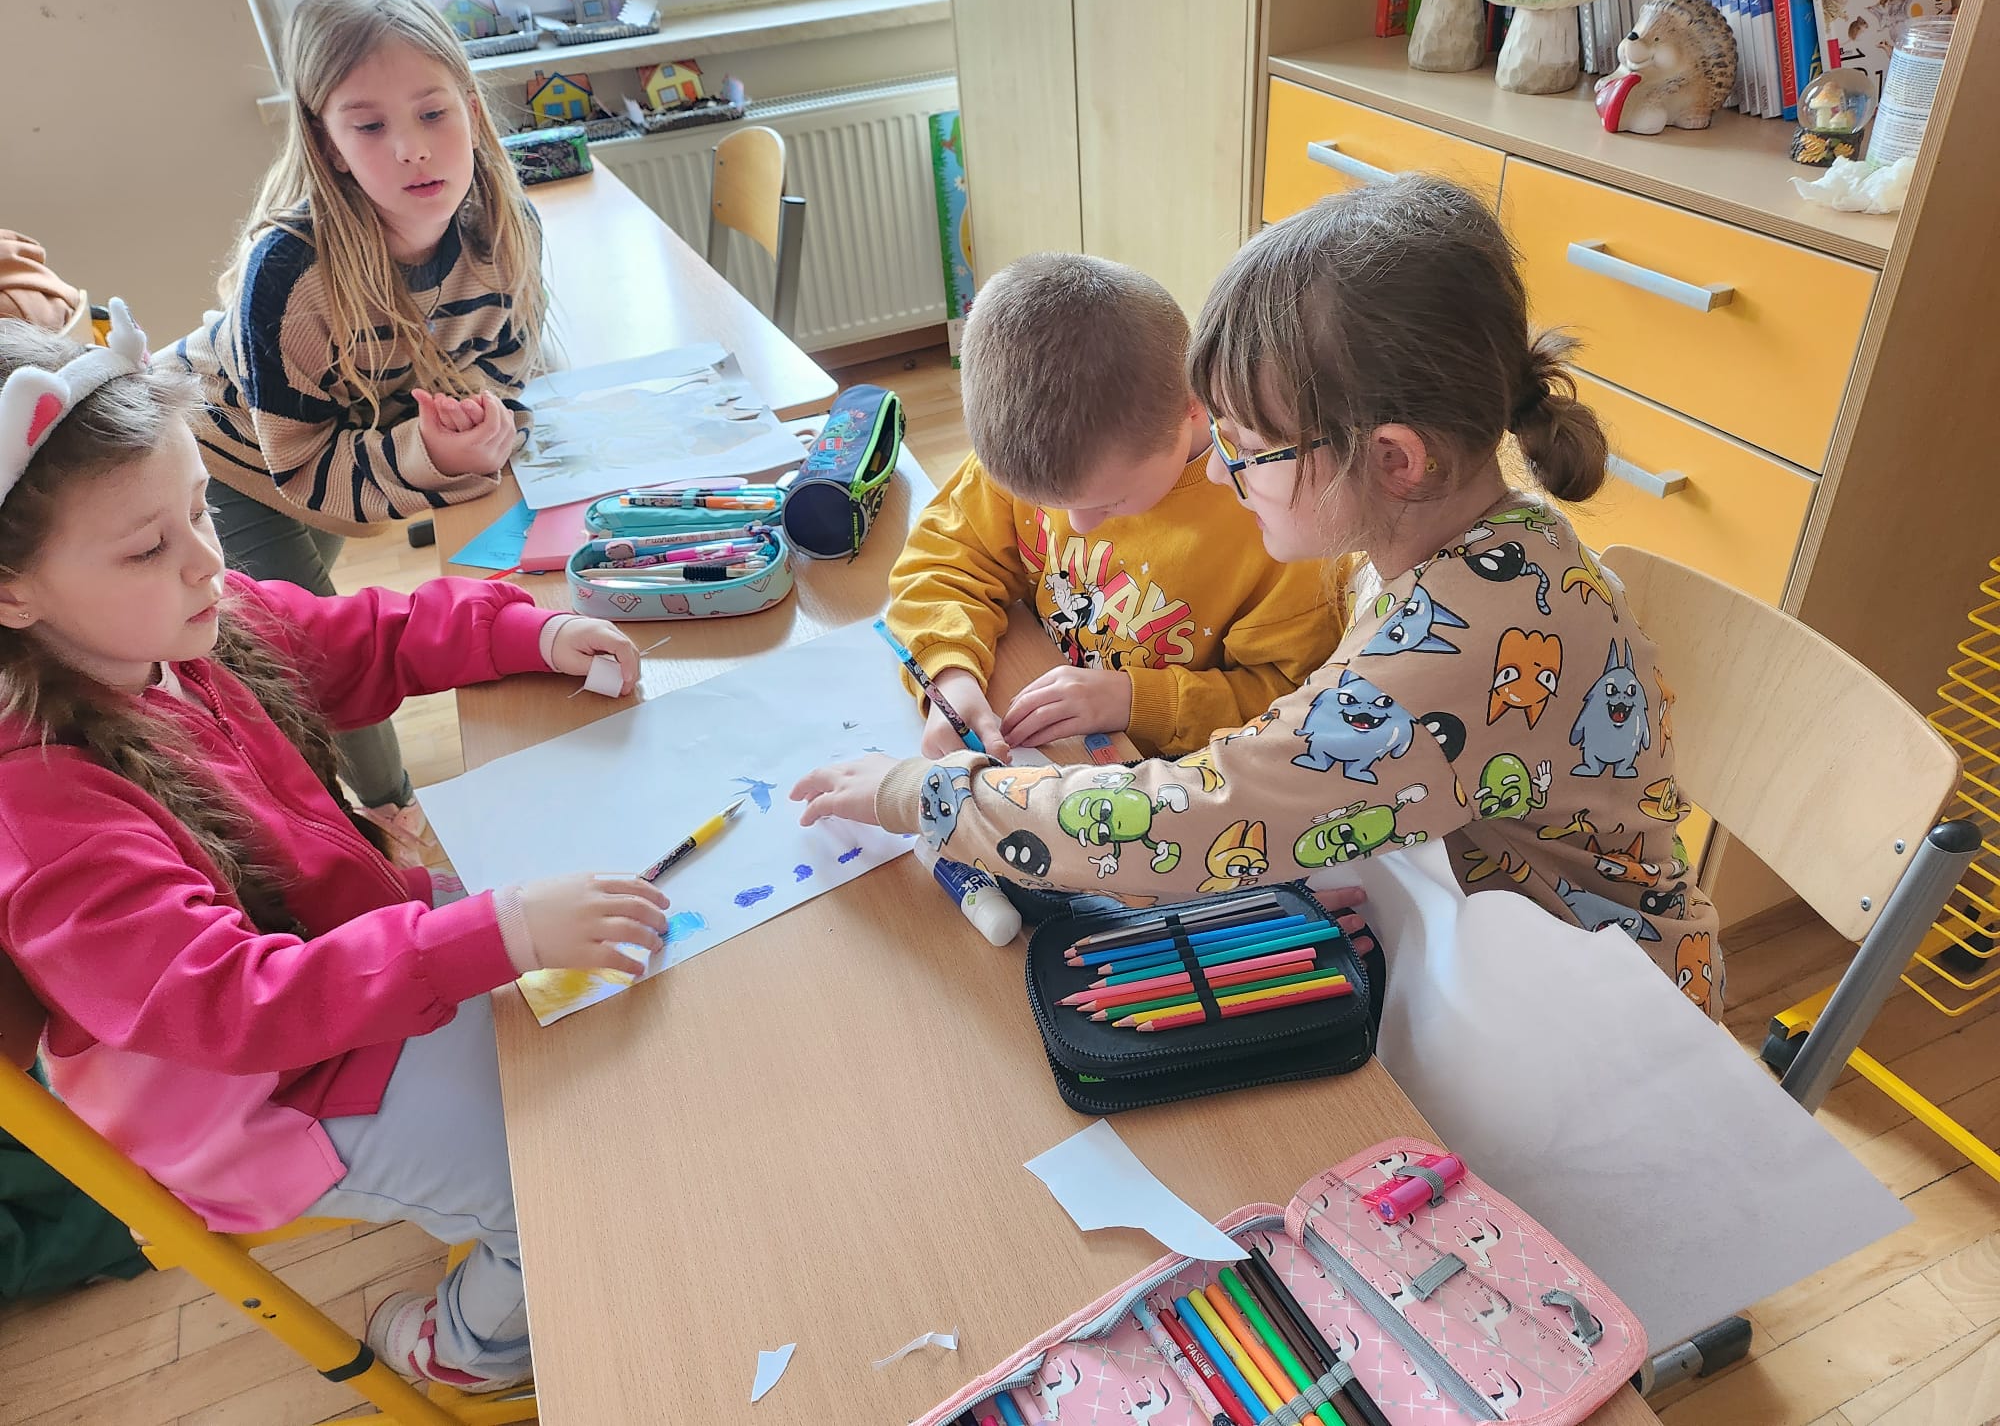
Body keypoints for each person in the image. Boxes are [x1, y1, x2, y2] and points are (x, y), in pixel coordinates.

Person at [796, 178, 1722, 1016]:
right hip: (1478, 947)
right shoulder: (1457, 541)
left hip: (1596, 1031)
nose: (1221, 474)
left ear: (1393, 459)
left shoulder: (1465, 633)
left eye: (1245, 447)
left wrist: (928, 795)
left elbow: (1204, 812)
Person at [0, 312, 668, 1391]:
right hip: (253, 1099)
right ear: (9, 592)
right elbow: (231, 1005)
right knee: (553, 1180)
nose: (207, 563)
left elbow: (357, 638)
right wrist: (494, 934)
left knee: (592, 968)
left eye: (200, 511)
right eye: (148, 548)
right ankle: (465, 1349)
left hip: (348, 950)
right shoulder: (39, 811)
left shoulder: (177, 624)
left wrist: (525, 632)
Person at [167, 0, 544, 853]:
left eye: (433, 112)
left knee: (308, 629)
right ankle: (390, 812)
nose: (413, 148)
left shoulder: (506, 225)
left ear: (472, 110)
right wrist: (423, 457)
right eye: (369, 127)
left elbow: (506, 375)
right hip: (224, 460)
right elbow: (302, 467)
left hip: (340, 445)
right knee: (301, 651)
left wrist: (489, 429)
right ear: (328, 145)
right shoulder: (288, 271)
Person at [885, 252, 1344, 762]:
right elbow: (946, 559)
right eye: (1049, 506)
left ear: (1192, 405)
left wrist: (1134, 700)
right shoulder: (1050, 455)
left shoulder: (1280, 521)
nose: (1079, 525)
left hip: (1167, 775)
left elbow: (1287, 699)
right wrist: (949, 674)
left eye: (1110, 502)